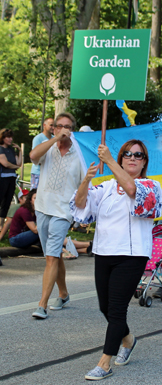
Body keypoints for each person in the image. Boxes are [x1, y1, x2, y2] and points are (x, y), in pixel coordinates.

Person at [71, 139, 162, 381]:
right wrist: (86, 180)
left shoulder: (151, 186)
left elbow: (133, 191)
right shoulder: (106, 187)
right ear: (122, 158)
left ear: (144, 162)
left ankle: (105, 362)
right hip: (103, 252)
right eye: (127, 154)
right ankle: (128, 339)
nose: (132, 158)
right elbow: (80, 206)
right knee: (105, 307)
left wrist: (109, 159)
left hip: (132, 256)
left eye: (138, 155)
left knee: (117, 309)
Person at [29, 112, 86, 320]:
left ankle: (42, 305)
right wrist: (55, 139)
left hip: (63, 211)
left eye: (67, 127)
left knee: (52, 257)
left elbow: (83, 184)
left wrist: (81, 212)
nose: (63, 129)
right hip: (43, 207)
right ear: (53, 129)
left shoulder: (79, 154)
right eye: (59, 126)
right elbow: (33, 157)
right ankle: (63, 294)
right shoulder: (48, 147)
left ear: (73, 130)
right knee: (53, 255)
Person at [0, 128, 22, 229]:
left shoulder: (11, 150)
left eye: (11, 137)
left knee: (7, 202)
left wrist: (20, 151)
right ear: (3, 138)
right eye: (8, 137)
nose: (10, 139)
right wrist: (16, 167)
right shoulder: (1, 149)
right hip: (2, 178)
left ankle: (1, 226)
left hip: (11, 178)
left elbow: (19, 163)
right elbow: (5, 163)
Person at [30, 118, 54, 189]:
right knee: (35, 195)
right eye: (51, 125)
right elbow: (35, 156)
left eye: (54, 125)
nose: (53, 127)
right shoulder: (38, 138)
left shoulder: (54, 138)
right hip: (38, 173)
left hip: (50, 173)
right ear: (44, 125)